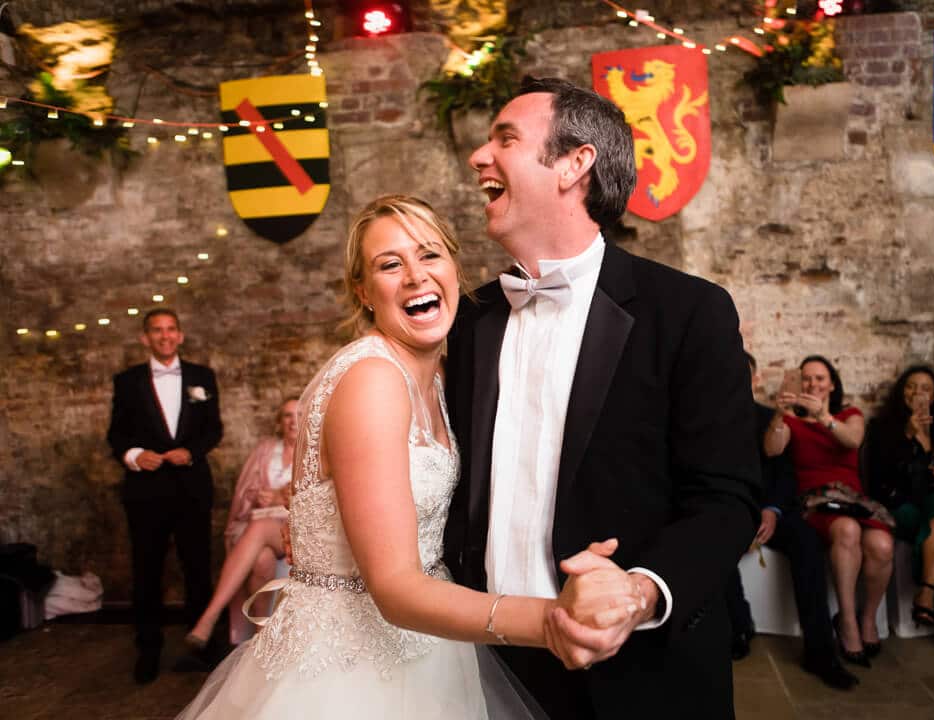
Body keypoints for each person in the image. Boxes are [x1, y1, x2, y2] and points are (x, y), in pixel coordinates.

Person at [177, 195, 640, 719]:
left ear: (453, 266)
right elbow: (394, 587)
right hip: (348, 670)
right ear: (363, 291)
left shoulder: (442, 379)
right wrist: (555, 619)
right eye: (390, 264)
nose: (416, 276)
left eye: (429, 255)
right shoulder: (371, 380)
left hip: (430, 644)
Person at [443, 77, 761, 719]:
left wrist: (640, 593)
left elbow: (727, 499)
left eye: (505, 139)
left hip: (637, 671)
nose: (480, 157)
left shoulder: (688, 312)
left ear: (574, 163)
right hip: (483, 660)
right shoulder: (468, 320)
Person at [725, 354, 857, 688]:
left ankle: (820, 651)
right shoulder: (701, 419)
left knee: (807, 542)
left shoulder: (772, 418)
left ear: (754, 380)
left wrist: (771, 510)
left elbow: (784, 473)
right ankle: (739, 626)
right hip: (729, 512)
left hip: (772, 512)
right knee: (716, 538)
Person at [107, 308, 223, 684]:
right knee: (147, 570)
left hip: (192, 486)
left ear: (181, 335)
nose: (165, 336)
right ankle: (148, 649)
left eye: (171, 329)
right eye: (156, 331)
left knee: (198, 567)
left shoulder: (203, 377)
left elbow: (213, 430)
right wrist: (134, 457)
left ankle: (201, 645)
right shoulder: (127, 381)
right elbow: (116, 436)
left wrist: (192, 451)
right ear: (145, 338)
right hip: (146, 490)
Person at [763, 355, 893, 669]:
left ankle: (868, 619)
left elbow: (853, 439)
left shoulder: (850, 414)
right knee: (847, 530)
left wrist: (823, 416)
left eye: (820, 378)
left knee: (881, 545)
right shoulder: (792, 421)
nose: (813, 384)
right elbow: (772, 449)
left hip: (852, 499)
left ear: (832, 384)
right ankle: (847, 623)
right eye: (807, 378)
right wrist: (779, 416)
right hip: (814, 500)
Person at [864, 365, 934, 660]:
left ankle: (927, 593)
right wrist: (907, 438)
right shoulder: (882, 429)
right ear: (902, 393)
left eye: (925, 388)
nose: (918, 393)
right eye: (911, 386)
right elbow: (876, 482)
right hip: (899, 508)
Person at [184, 398, 298, 648]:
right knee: (262, 560)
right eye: (288, 415)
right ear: (280, 422)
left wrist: (282, 496)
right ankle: (261, 634)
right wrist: (258, 495)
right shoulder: (266, 450)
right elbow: (244, 492)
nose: (294, 421)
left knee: (258, 529)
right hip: (262, 523)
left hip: (294, 526)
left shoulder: (313, 452)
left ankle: (210, 616)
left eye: (299, 415)